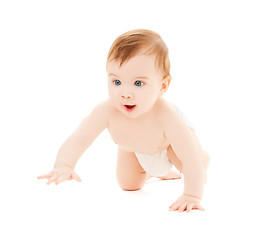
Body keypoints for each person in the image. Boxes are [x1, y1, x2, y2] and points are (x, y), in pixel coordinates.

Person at [38, 29, 210, 213]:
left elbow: (190, 158)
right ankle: (156, 171)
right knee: (128, 184)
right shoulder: (107, 110)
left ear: (162, 85)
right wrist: (64, 164)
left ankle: (201, 160)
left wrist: (192, 195)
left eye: (138, 83)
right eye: (117, 82)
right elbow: (80, 137)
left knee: (192, 162)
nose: (125, 93)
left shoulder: (167, 116)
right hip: (135, 147)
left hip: (169, 145)